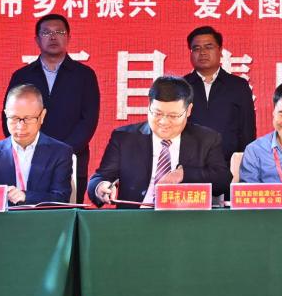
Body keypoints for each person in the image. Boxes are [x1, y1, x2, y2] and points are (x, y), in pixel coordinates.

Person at [88, 76, 231, 208]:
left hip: (185, 218)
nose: (164, 122)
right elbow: (100, 178)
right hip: (135, 219)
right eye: (157, 113)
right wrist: (101, 187)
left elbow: (223, 180)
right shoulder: (124, 138)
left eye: (173, 116)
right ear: (149, 106)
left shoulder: (207, 139)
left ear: (188, 110)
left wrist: (183, 175)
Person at [3, 13, 100, 202]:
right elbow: (9, 116)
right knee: (26, 207)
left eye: (59, 32)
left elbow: (88, 120)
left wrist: (63, 153)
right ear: (37, 40)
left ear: (69, 37)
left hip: (72, 157)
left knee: (68, 210)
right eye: (46, 32)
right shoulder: (22, 75)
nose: (53, 37)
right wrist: (27, 148)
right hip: (28, 158)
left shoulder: (84, 75)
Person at [0, 84, 74, 205]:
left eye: (28, 118)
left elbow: (61, 198)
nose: (20, 126)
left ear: (42, 116)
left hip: (42, 216)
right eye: (14, 118)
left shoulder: (60, 153)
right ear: (6, 114)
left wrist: (25, 196)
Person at [183, 26, 256, 161]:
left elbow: (247, 130)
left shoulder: (238, 86)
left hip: (228, 165)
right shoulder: (180, 86)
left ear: (220, 50)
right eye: (196, 48)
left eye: (209, 47)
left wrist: (245, 164)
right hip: (188, 165)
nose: (203, 52)